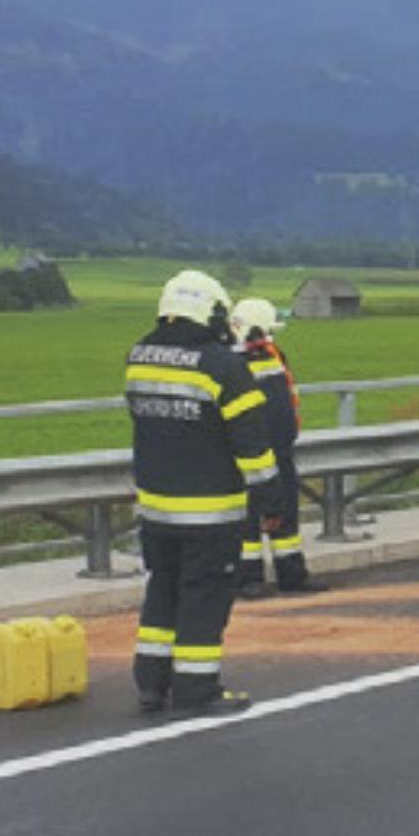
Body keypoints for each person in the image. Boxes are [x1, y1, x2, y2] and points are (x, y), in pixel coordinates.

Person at [125, 271, 288, 717]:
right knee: (204, 595)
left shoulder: (139, 355)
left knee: (162, 589)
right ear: (211, 311)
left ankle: (151, 685)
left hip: (156, 507)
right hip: (209, 512)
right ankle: (196, 689)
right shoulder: (224, 366)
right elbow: (253, 448)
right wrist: (273, 505)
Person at [231, 297, 326, 595]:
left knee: (285, 516)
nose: (267, 338)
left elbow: (287, 398)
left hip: (281, 448)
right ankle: (248, 579)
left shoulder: (273, 355)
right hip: (247, 454)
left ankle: (292, 575)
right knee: (247, 519)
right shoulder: (231, 362)